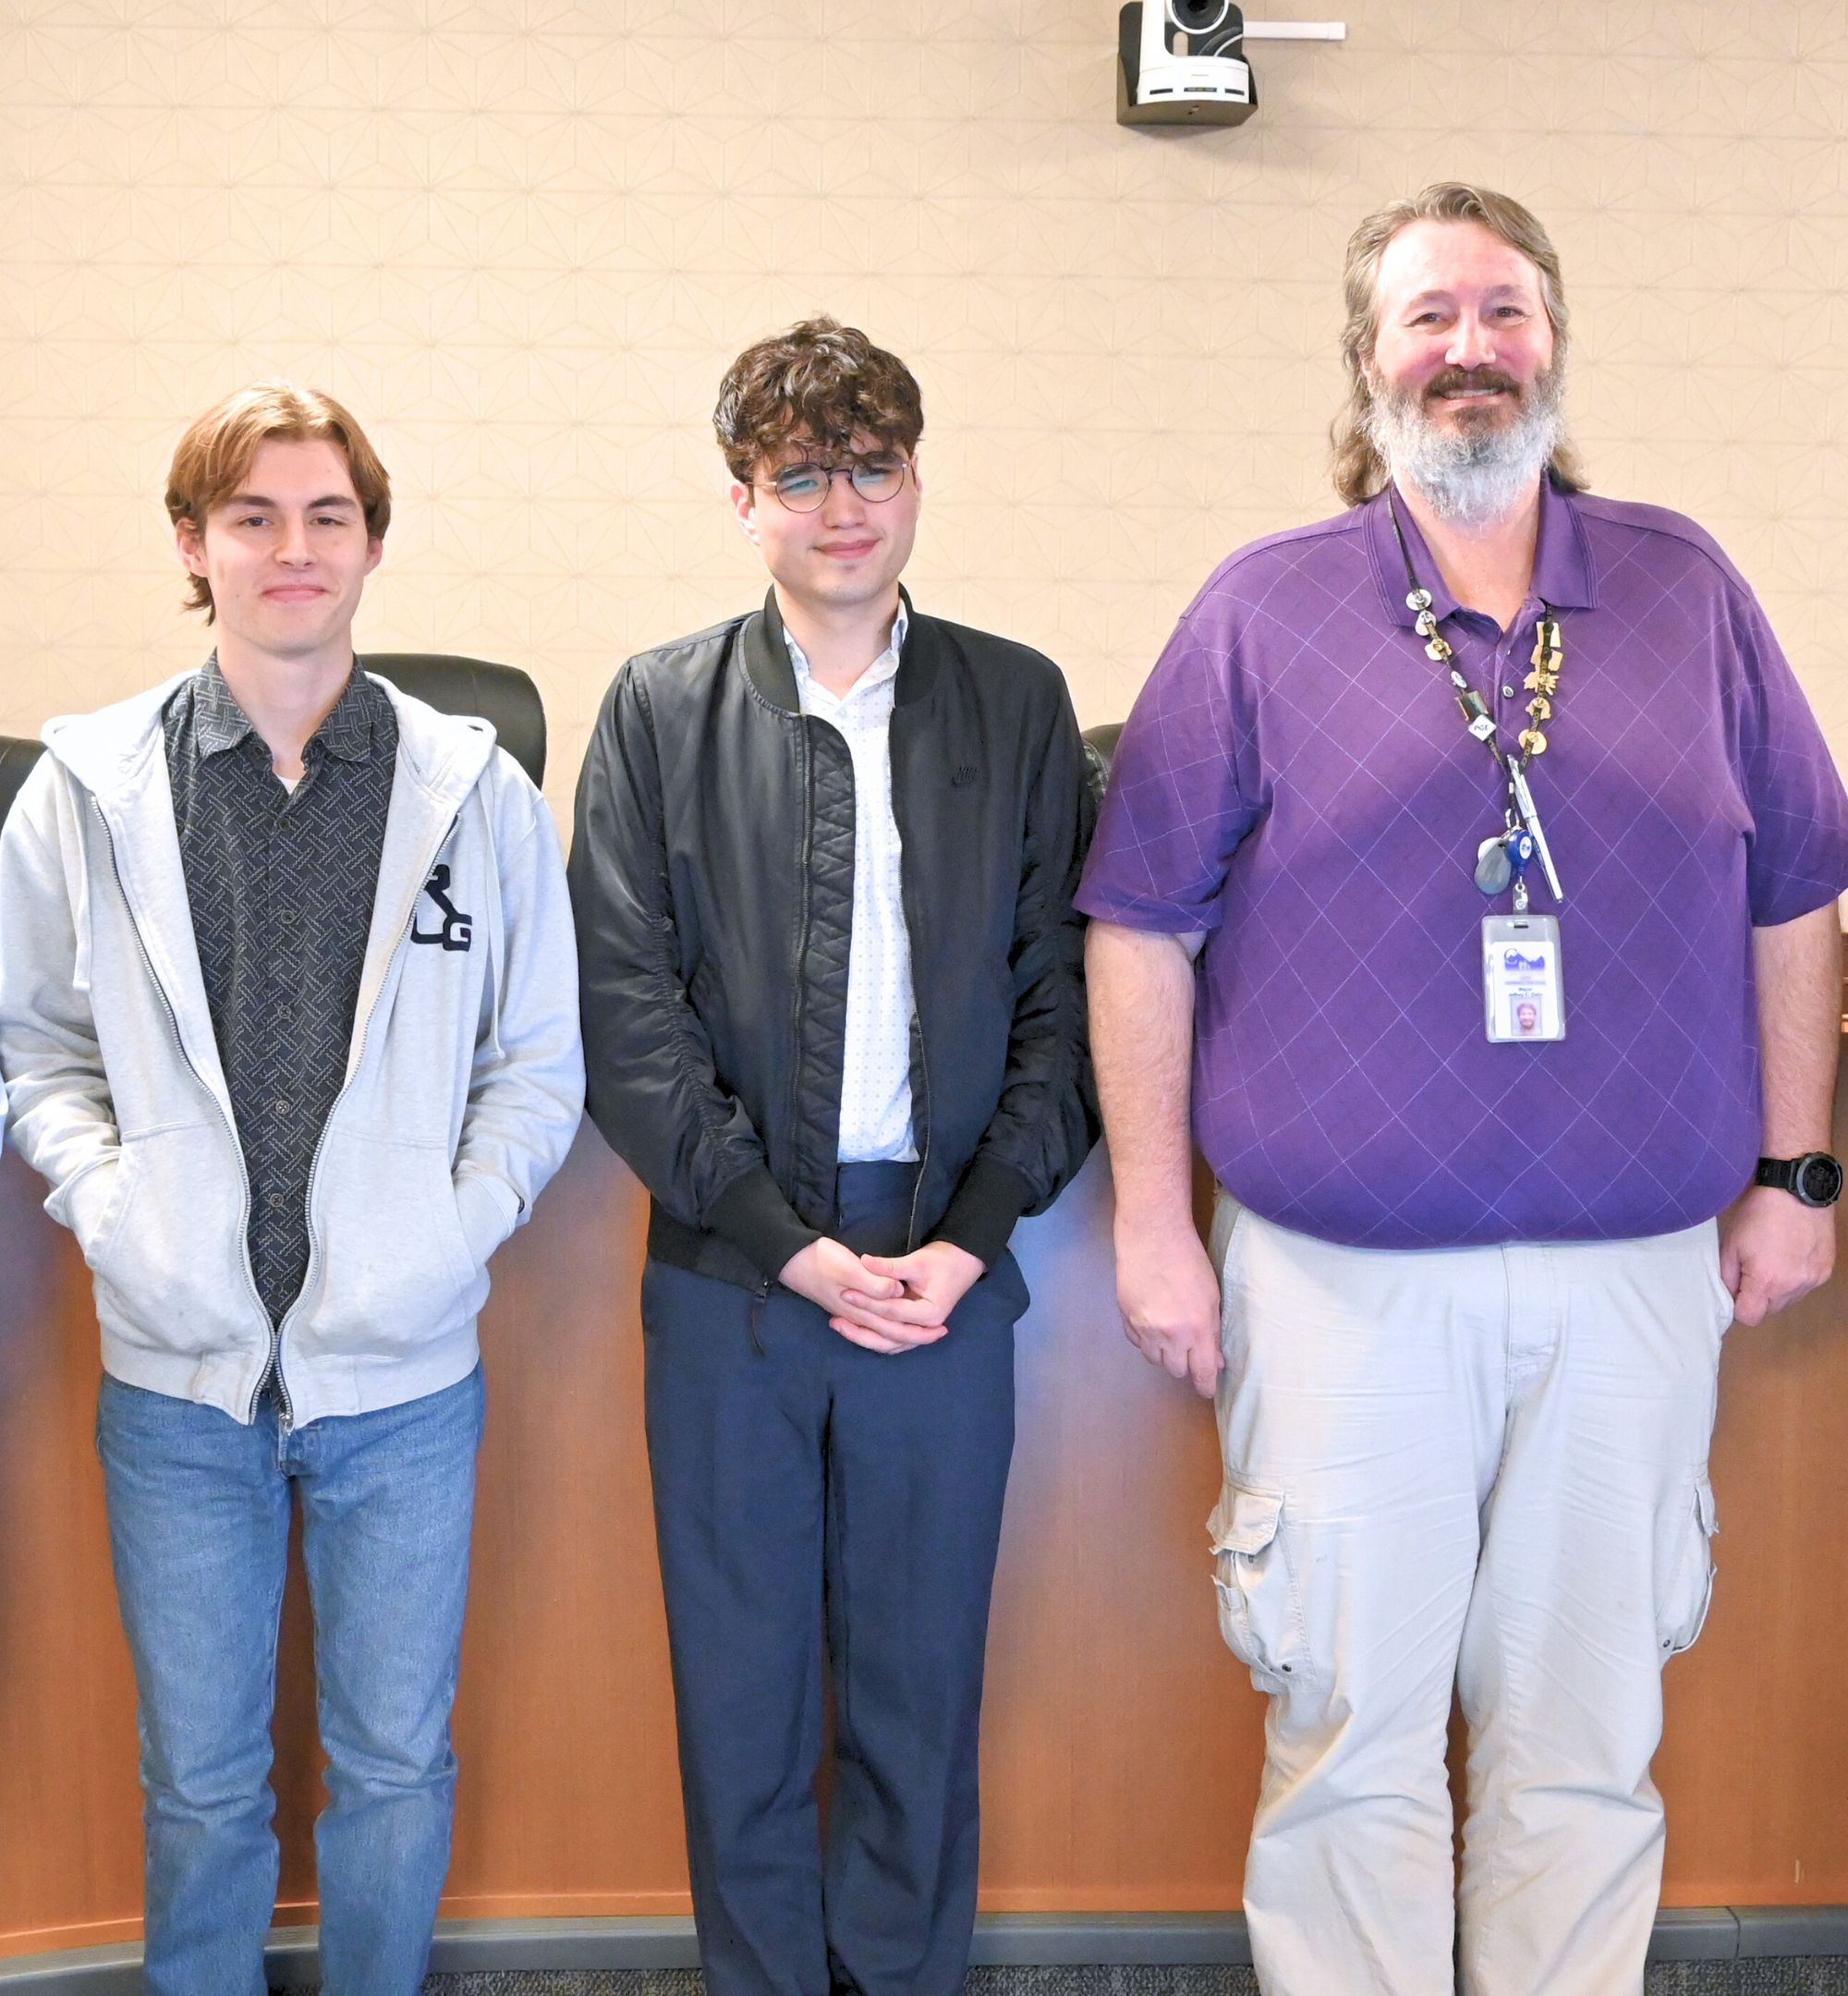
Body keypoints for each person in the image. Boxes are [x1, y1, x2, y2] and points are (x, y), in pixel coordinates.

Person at [1077, 183, 1848, 1996]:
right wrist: (1149, 1230)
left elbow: (1798, 884)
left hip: (1634, 1274)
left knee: (1584, 1743)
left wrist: (1797, 1172)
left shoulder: (1684, 590)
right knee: (1349, 1745)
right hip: (1339, 1283)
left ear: (1556, 341)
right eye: (1427, 318)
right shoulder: (1262, 613)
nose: (1470, 351)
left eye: (1503, 312)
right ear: (1364, 367)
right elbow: (1134, 924)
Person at [0, 383, 584, 1996]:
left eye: (328, 515)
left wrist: (451, 1232)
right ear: (193, 545)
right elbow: (36, 1052)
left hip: (404, 1375)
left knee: (396, 1769)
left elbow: (538, 1068)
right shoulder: (90, 790)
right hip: (177, 1377)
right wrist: (111, 1210)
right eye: (251, 516)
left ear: (373, 543)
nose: (293, 548)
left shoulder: (476, 794)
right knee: (199, 1787)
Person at [569, 317, 1095, 1996]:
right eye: (801, 474)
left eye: (871, 467)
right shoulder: (657, 708)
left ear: (917, 481)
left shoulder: (1017, 703)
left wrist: (976, 1233)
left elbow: (1062, 1001)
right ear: (744, 502)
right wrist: (781, 1238)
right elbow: (624, 1015)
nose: (842, 504)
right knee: (739, 1696)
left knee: (917, 1691)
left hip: (948, 1264)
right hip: (735, 1274)